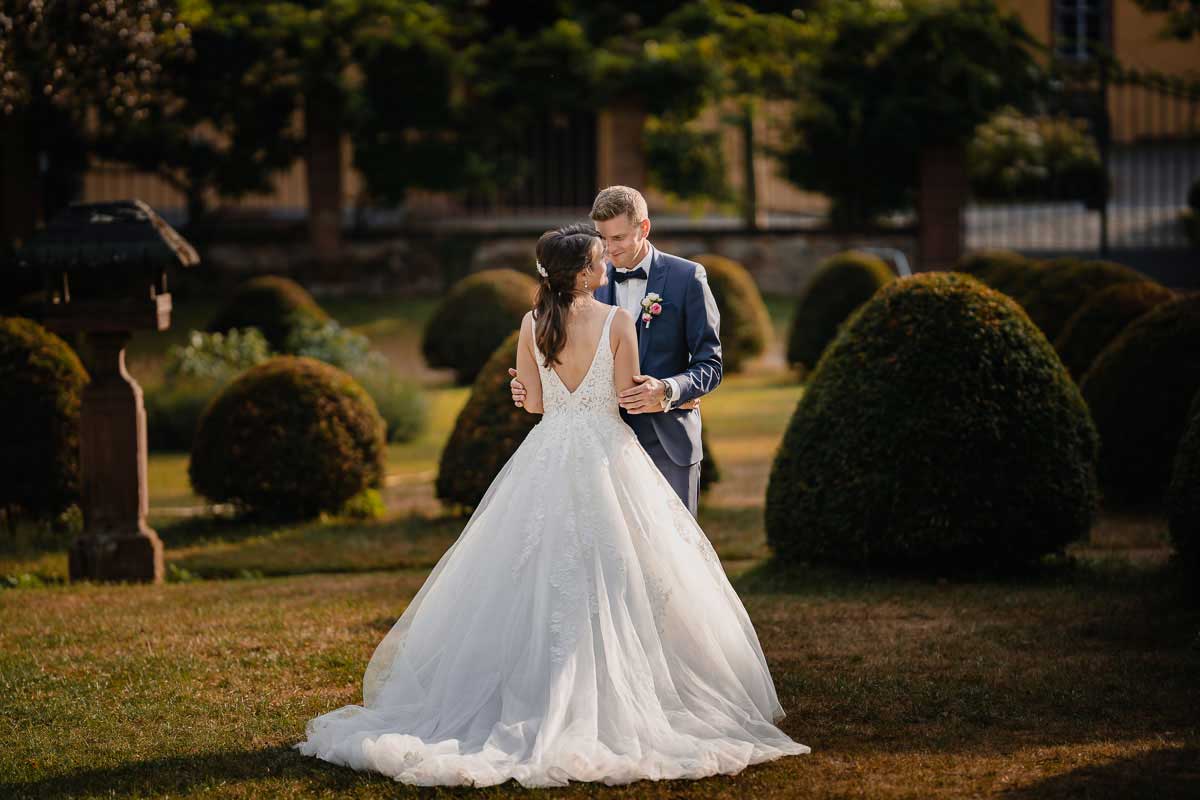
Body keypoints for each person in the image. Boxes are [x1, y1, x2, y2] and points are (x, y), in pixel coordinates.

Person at [293, 222, 810, 788]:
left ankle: (532, 687)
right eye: (598, 259)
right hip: (607, 454)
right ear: (586, 272)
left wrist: (529, 390)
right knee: (621, 574)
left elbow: (535, 404)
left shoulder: (531, 322)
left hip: (547, 454)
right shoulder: (615, 320)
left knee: (529, 571)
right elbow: (626, 397)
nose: (607, 265)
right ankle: (613, 689)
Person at [509, 185, 720, 517]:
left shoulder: (687, 277)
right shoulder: (589, 278)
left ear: (644, 229)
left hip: (667, 441)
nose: (607, 249)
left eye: (618, 239)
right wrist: (531, 380)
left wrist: (668, 389)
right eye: (601, 238)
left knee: (671, 554)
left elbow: (710, 364)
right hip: (596, 452)